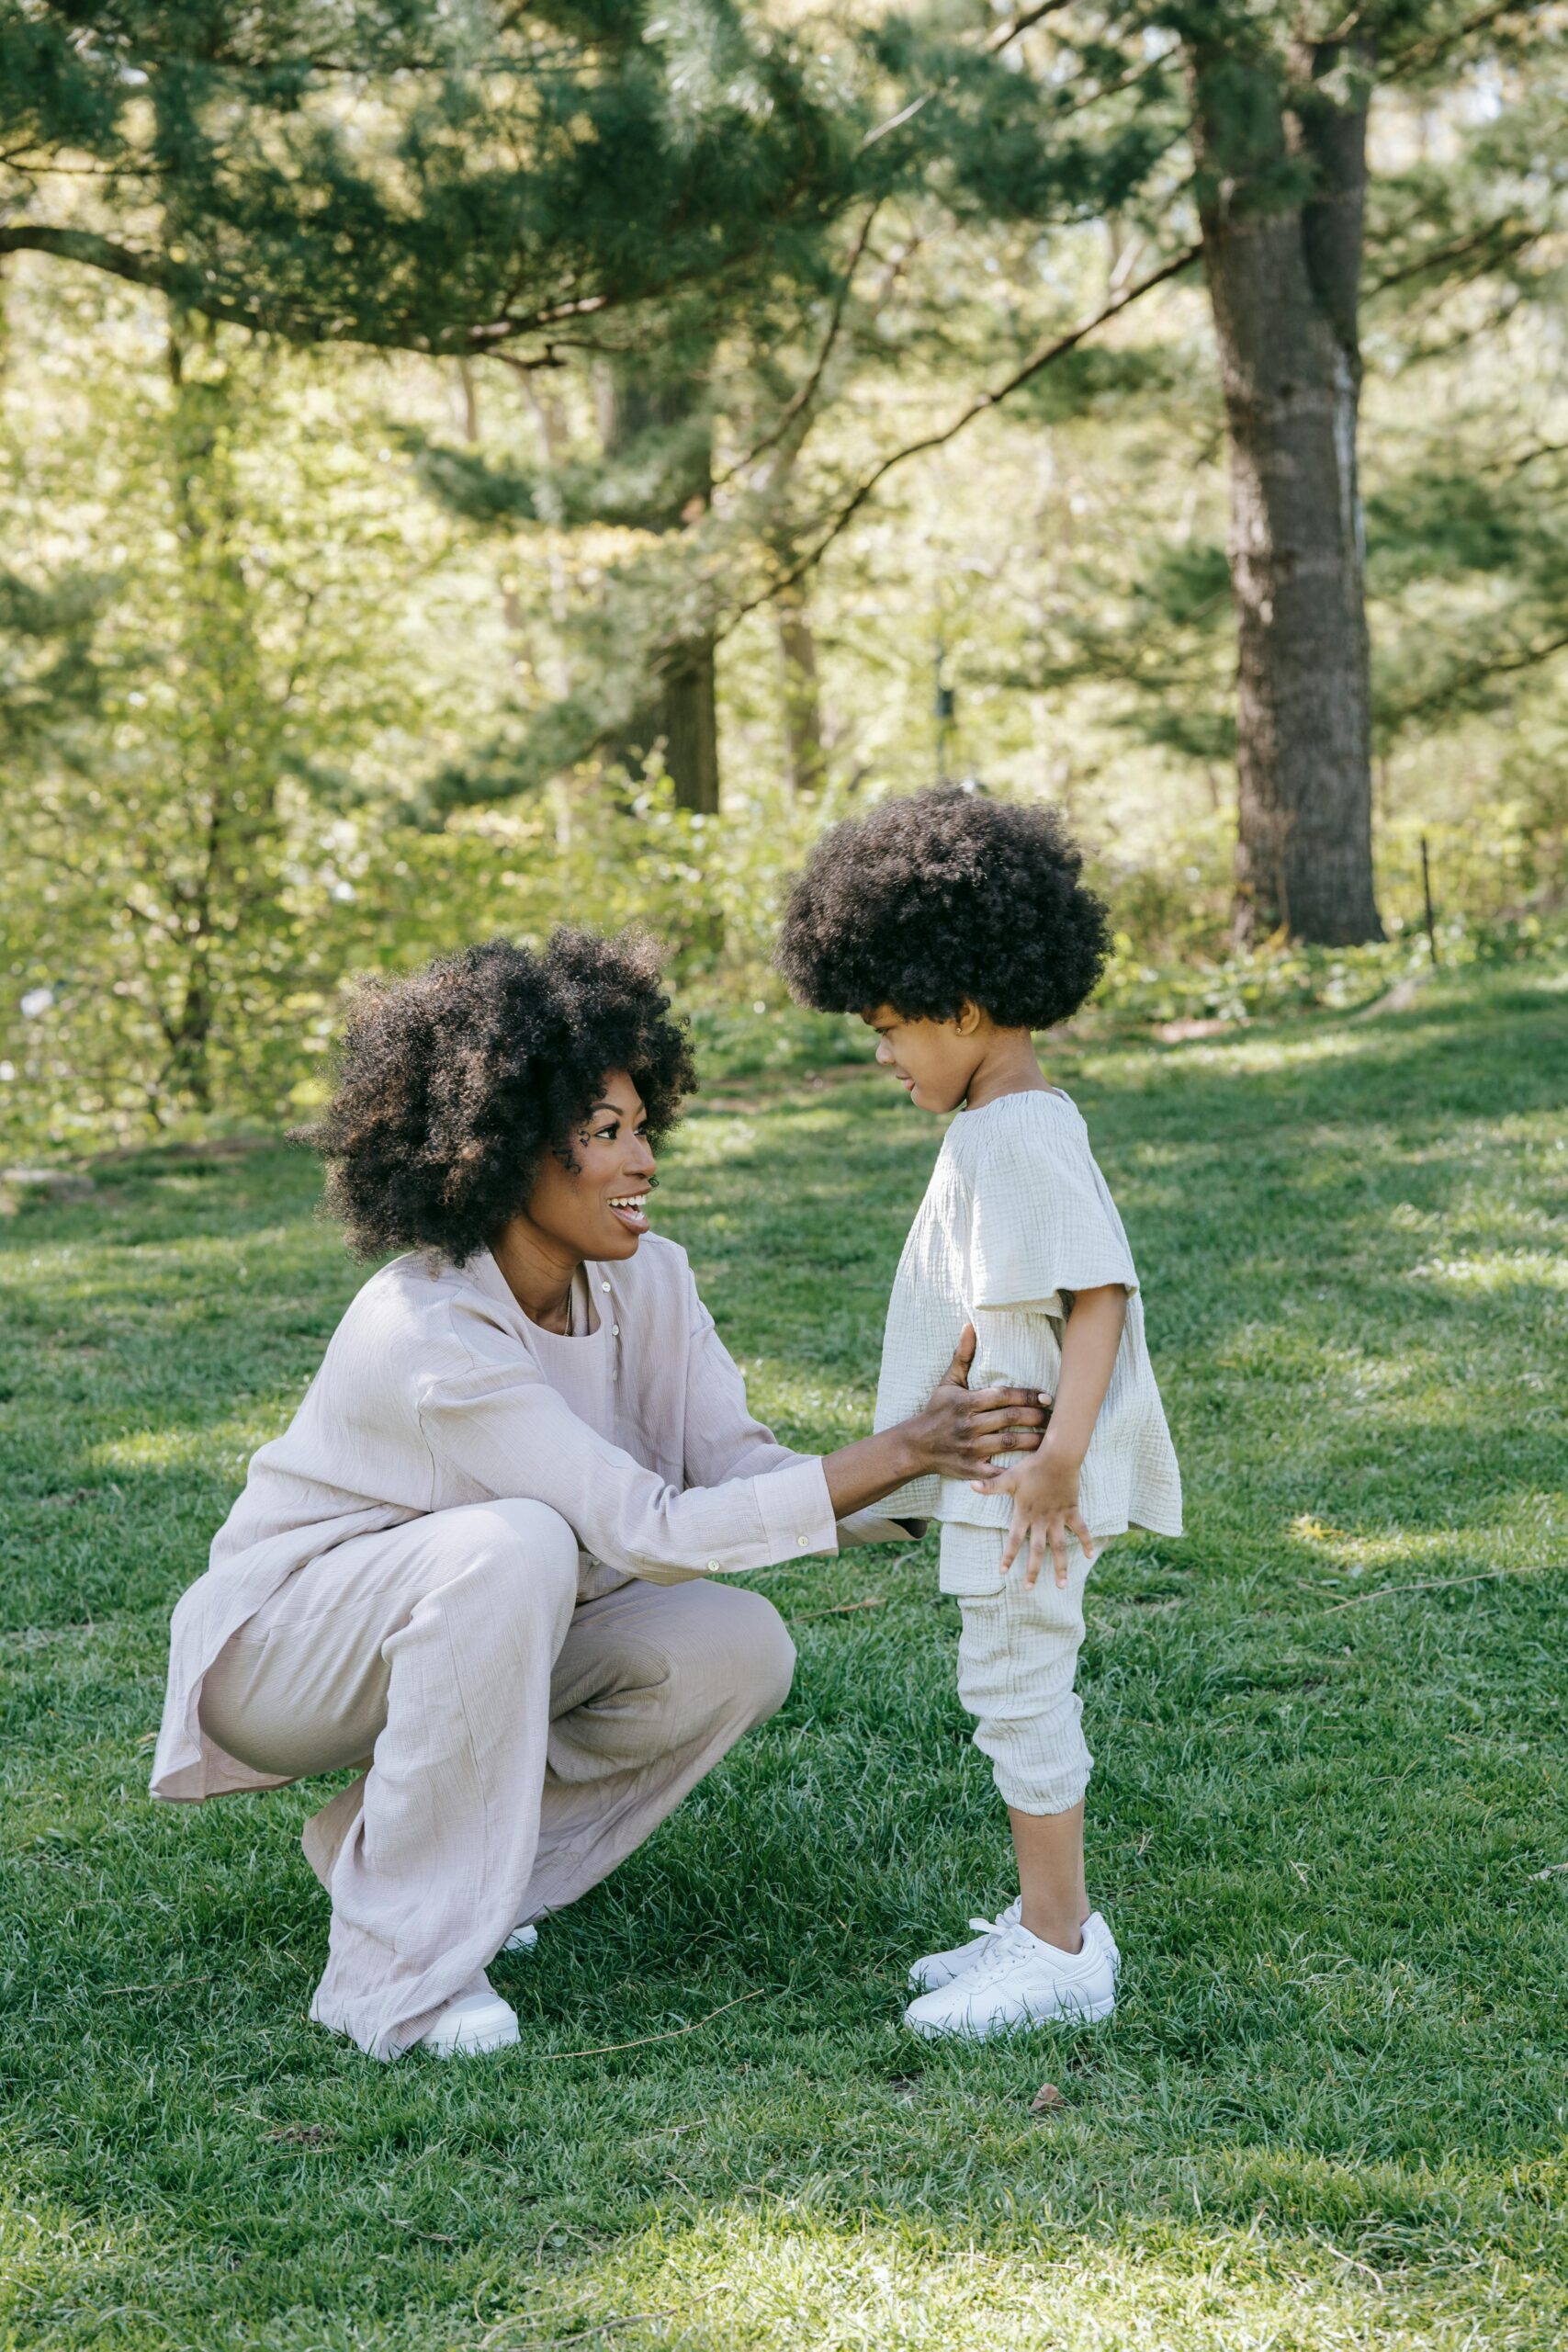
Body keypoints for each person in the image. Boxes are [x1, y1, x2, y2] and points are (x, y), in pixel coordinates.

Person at [150, 928, 1050, 2060]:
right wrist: (901, 1446)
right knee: (517, 1542)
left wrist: (929, 1472)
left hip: (481, 1616)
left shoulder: (651, 1280)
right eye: (604, 1136)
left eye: (643, 1129)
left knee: (735, 1642)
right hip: (285, 1657)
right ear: (505, 1151)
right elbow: (644, 1525)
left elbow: (740, 1472)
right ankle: (400, 1975)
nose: (643, 1163)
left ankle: (404, 1867)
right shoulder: (428, 1323)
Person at [776, 787, 1182, 2038]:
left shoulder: (1015, 1131)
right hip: (1004, 1465)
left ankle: (1059, 1950)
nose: (883, 1056)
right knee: (1004, 1677)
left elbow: (1099, 1292)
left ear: (962, 1007)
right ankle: (1040, 1921)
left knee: (1015, 1682)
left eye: (892, 1029)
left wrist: (1057, 1464)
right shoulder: (991, 1127)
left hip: (1027, 1484)